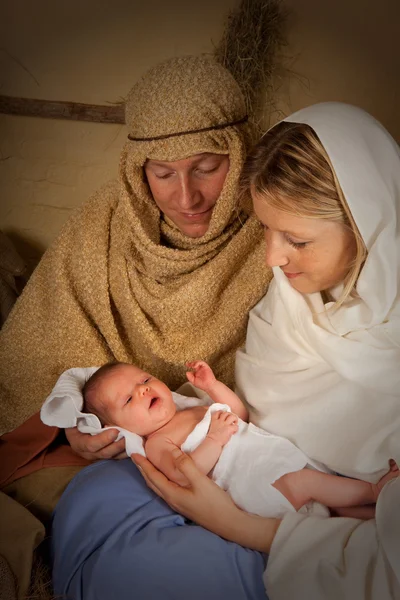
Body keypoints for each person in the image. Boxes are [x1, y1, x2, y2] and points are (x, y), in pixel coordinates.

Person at [0, 55, 272, 600]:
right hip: (112, 451)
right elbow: (45, 339)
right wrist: (76, 424)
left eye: (206, 167)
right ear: (135, 169)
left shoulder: (275, 226)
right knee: (69, 502)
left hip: (227, 440)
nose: (185, 198)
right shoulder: (104, 221)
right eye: (162, 173)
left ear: (240, 153)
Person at [132, 102, 400, 599]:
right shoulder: (288, 305)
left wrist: (235, 524)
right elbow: (244, 423)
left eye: (296, 239)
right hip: (265, 492)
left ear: (371, 227)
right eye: (265, 229)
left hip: (289, 530)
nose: (272, 258)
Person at [80, 360, 397, 518]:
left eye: (145, 379)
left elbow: (237, 414)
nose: (143, 389)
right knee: (309, 484)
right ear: (120, 428)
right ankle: (375, 491)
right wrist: (214, 440)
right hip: (256, 483)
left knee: (329, 497)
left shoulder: (188, 409)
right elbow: (183, 473)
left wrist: (212, 386)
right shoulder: (156, 443)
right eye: (128, 400)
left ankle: (374, 519)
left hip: (271, 459)